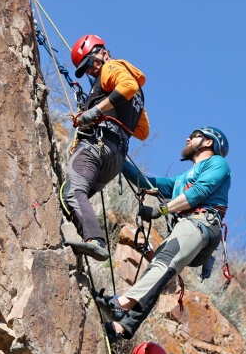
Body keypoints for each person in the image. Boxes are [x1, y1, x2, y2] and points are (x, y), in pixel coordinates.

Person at [97, 127, 230, 340]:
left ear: (209, 142)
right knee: (157, 272)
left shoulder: (217, 163)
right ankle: (122, 328)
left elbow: (198, 192)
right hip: (189, 228)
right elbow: (146, 182)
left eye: (195, 135)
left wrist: (162, 210)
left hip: (200, 222)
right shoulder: (181, 179)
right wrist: (117, 155)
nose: (188, 138)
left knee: (163, 263)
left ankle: (121, 303)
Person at [60, 34, 150, 261]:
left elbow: (128, 85)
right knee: (73, 198)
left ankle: (95, 241)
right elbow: (142, 131)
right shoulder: (138, 95)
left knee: (72, 192)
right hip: (115, 158)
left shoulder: (111, 68)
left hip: (98, 145)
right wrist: (110, 107)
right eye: (85, 68)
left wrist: (96, 111)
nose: (90, 70)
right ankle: (83, 237)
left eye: (89, 63)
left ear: (103, 53)